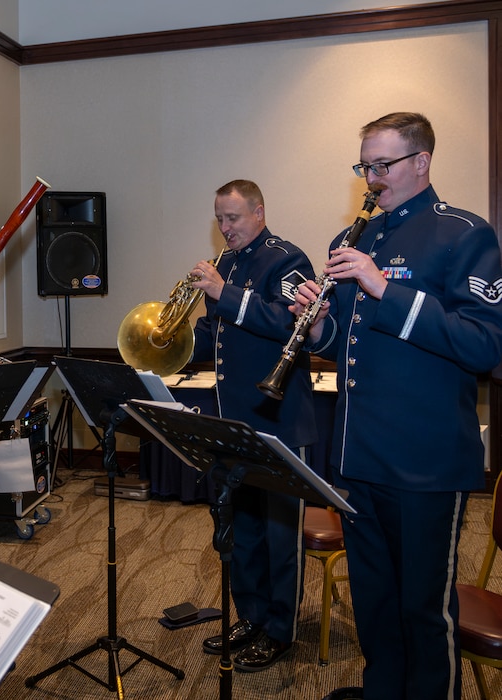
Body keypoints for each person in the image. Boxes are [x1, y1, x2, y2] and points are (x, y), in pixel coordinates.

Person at [292, 112, 502, 700]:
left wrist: (386, 288)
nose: (371, 178)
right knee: (376, 604)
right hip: (359, 455)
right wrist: (315, 331)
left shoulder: (463, 233)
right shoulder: (352, 238)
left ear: (421, 162)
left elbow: (486, 344)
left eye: (382, 165)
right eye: (365, 165)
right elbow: (349, 345)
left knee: (423, 610)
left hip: (425, 462)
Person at [188, 179, 317, 672]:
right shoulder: (225, 263)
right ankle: (252, 616)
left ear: (259, 212)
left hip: (279, 421)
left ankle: (281, 630)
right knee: (241, 528)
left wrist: (227, 294)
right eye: (220, 218)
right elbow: (215, 333)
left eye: (234, 218)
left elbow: (291, 324)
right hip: (232, 420)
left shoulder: (288, 259)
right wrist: (171, 341)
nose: (225, 228)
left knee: (281, 536)